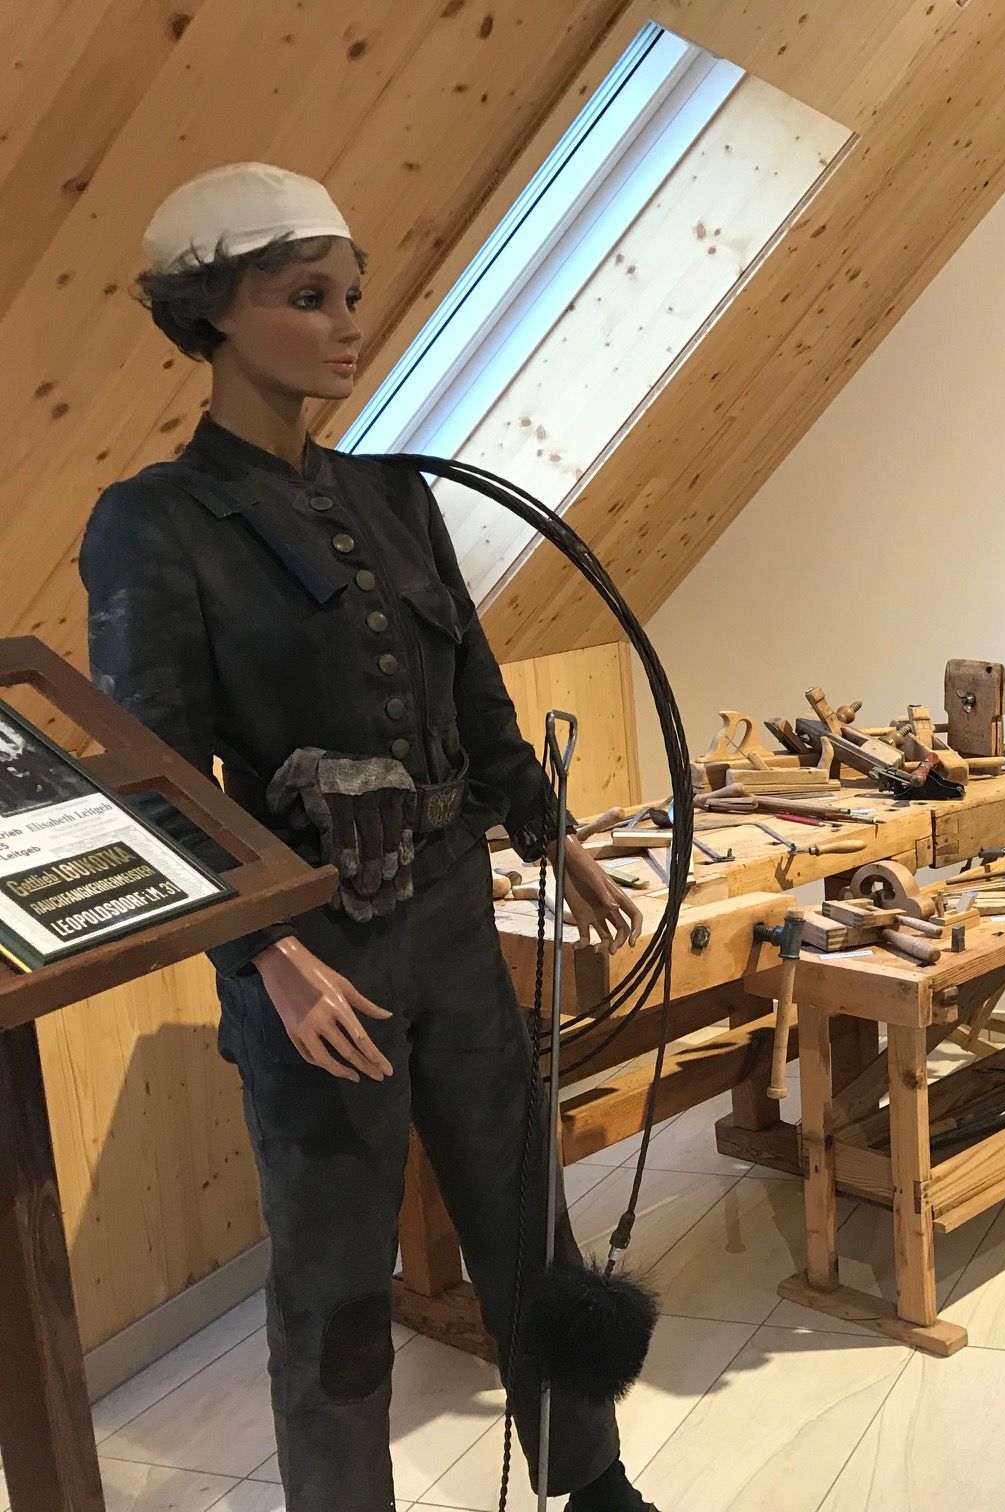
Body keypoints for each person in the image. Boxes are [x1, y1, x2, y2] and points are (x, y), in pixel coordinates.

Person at [78, 163, 658, 1512]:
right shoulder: (157, 523)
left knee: (529, 1223)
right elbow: (160, 782)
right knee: (336, 1279)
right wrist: (268, 957)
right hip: (314, 953)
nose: (347, 325)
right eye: (306, 298)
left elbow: (474, 694)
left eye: (350, 296)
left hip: (452, 916)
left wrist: (548, 831)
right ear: (213, 315)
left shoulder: (397, 496)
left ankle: (592, 1483)